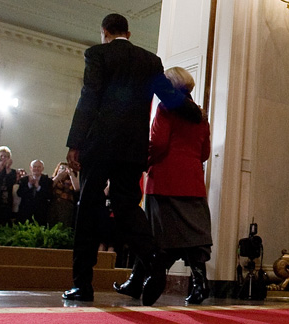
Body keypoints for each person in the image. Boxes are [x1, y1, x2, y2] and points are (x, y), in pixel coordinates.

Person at [63, 13, 202, 304]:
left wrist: (75, 142)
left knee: (88, 209)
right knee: (127, 207)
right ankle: (154, 258)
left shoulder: (97, 54)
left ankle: (82, 286)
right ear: (129, 32)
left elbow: (89, 95)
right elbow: (170, 98)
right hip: (132, 149)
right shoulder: (151, 61)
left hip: (100, 145)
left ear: (105, 32)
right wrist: (195, 113)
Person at [114, 67, 212, 305]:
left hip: (165, 181)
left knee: (154, 237)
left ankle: (137, 281)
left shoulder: (166, 109)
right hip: (193, 184)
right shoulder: (200, 115)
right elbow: (205, 153)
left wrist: (142, 163)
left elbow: (157, 144)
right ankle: (198, 284)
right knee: (195, 237)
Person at [16, 160, 52, 225]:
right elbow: (19, 193)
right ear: (30, 168)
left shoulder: (47, 180)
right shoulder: (24, 180)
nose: (36, 169)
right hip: (25, 211)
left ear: (42, 169)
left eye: (39, 167)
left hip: (40, 212)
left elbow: (49, 195)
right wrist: (29, 185)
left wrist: (38, 187)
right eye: (34, 167)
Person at [47, 162, 80, 228]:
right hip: (54, 206)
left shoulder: (71, 181)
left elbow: (77, 188)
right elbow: (50, 186)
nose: (63, 170)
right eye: (62, 168)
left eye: (66, 169)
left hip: (68, 207)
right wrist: (58, 176)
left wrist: (71, 174)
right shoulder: (53, 179)